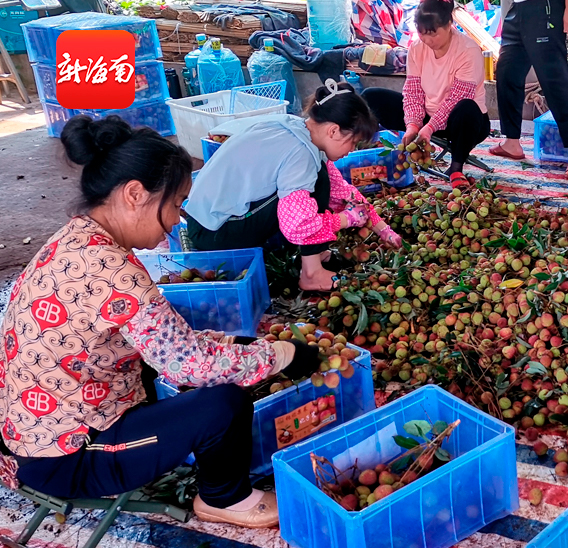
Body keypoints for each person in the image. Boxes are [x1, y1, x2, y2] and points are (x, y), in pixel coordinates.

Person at [0, 116, 324, 529]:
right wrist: (280, 355)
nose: (177, 220)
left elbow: (166, 341)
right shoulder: (116, 274)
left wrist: (237, 345)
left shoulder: (75, 239)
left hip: (40, 426)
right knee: (223, 404)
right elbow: (191, 366)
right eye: (175, 204)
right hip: (65, 456)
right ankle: (225, 498)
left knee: (192, 367)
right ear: (135, 194)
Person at [185, 80, 402, 292]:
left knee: (319, 178)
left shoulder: (297, 129)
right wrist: (345, 220)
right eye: (353, 142)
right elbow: (297, 224)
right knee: (314, 186)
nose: (352, 150)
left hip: (207, 220)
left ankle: (315, 256)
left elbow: (342, 192)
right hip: (215, 230)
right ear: (334, 131)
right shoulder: (301, 153)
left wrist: (382, 228)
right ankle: (312, 273)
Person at [361, 0, 489, 189]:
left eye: (433, 33)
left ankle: (456, 168)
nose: (427, 40)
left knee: (466, 107)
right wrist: (413, 124)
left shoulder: (468, 51)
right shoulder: (416, 48)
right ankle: (371, 150)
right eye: (422, 33)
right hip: (427, 118)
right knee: (371, 97)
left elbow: (457, 98)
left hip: (464, 122)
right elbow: (413, 91)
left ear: (449, 25)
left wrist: (429, 128)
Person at [491, 0, 568, 180]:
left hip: (544, 8)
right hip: (517, 9)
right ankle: (511, 142)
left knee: (553, 80)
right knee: (507, 73)